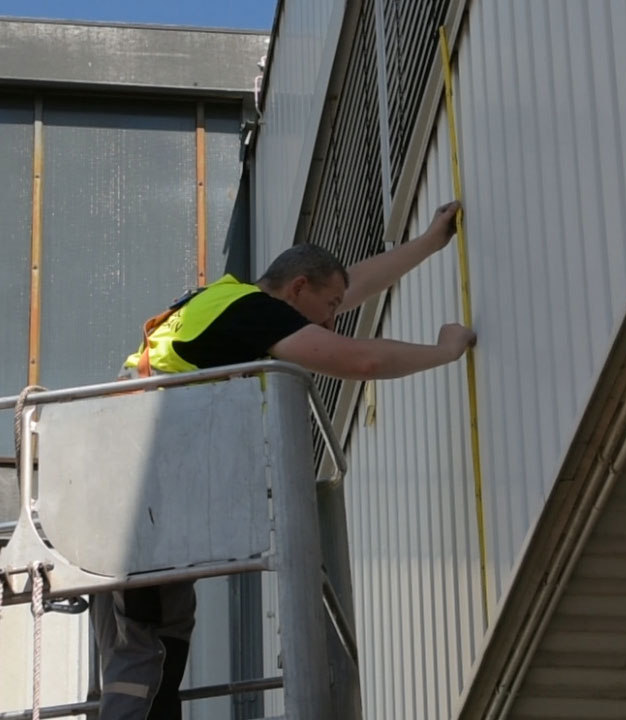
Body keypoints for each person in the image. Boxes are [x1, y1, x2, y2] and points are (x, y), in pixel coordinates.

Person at [92, 200, 476, 719]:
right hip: (139, 495)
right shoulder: (252, 314)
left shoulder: (230, 303)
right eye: (331, 306)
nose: (335, 318)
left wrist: (430, 243)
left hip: (138, 485)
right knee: (148, 648)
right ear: (298, 289)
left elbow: (350, 283)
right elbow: (362, 360)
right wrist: (444, 352)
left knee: (160, 634)